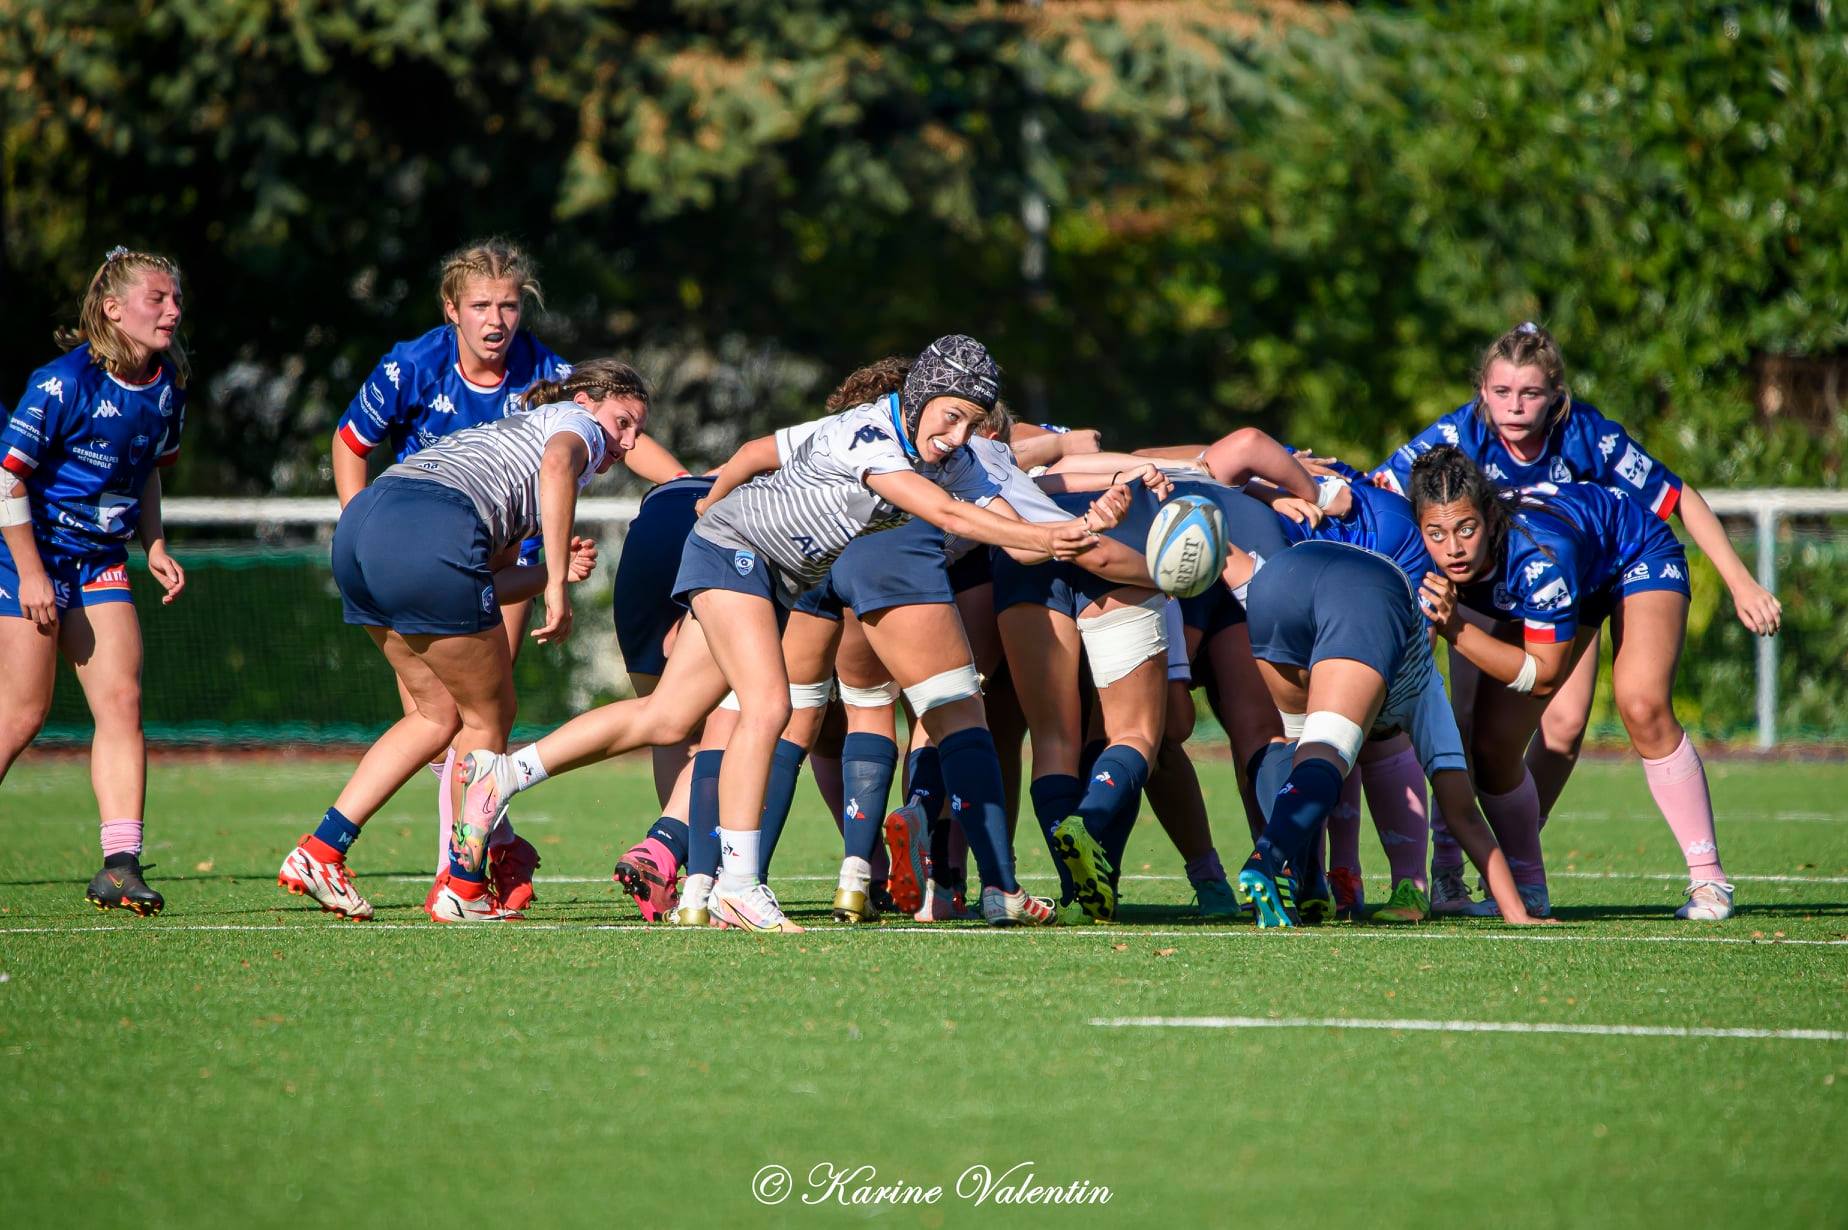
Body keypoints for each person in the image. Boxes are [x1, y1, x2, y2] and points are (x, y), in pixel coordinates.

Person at [452, 336, 1112, 933]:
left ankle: (502, 775)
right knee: (770, 705)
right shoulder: (872, 434)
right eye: (950, 415)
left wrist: (1072, 533)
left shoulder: (950, 457)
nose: (957, 433)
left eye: (971, 421)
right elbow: (941, 513)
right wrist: (713, 515)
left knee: (666, 716)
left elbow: (1008, 536)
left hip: (751, 563)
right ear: (917, 400)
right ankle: (739, 884)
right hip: (737, 552)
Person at [1373, 322, 1778, 908]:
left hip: (1614, 557)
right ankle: (1480, 875)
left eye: (1530, 394)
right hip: (1530, 570)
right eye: (1501, 392)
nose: (1514, 407)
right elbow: (1374, 490)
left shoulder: (1587, 436)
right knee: (1479, 734)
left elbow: (1678, 497)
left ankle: (1707, 874)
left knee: (1629, 705)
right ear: (1481, 393)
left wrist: (1741, 581)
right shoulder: (1459, 436)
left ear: (1556, 396)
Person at [277, 360, 646, 921]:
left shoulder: (507, 438)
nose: (628, 440)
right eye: (623, 422)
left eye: (638, 430)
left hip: (363, 525)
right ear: (586, 400)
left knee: (436, 715)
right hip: (430, 523)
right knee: (490, 716)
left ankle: (321, 850)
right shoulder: (576, 425)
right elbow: (557, 466)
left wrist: (554, 568)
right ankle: (464, 886)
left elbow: (486, 581)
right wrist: (554, 588)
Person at [1409, 445, 1737, 920]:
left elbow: (1542, 677)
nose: (1453, 549)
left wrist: (1455, 627)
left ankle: (1710, 879)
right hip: (1575, 571)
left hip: (1631, 553)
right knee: (1491, 745)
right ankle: (1528, 888)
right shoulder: (1422, 548)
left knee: (1641, 704)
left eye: (1466, 529)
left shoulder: (1537, 558)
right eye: (1436, 534)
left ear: (1489, 516)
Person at [0, 247, 190, 915]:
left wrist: (156, 542)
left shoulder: (166, 385)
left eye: (174, 299)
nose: (171, 310)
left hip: (101, 559)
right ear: (113, 309)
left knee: (122, 704)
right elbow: (7, 478)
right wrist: (29, 574)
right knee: (22, 713)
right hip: (30, 558)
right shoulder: (61, 384)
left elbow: (148, 471)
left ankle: (119, 865)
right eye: (156, 299)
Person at [1228, 539, 1550, 928]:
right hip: (1367, 589)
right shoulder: (1426, 696)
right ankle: (1266, 858)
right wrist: (1517, 914)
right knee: (1327, 753)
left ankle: (1300, 883)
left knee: (1299, 750)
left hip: (1278, 577)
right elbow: (1464, 816)